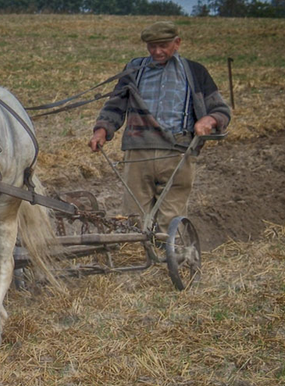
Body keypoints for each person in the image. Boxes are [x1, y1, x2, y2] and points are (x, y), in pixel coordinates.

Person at [88, 21, 231, 233]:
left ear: (177, 43)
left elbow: (221, 110)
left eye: (163, 45)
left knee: (171, 219)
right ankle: (138, 258)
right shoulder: (134, 70)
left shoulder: (195, 72)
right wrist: (101, 130)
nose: (157, 51)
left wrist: (208, 120)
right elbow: (115, 106)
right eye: (151, 46)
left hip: (178, 153)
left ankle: (168, 259)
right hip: (139, 152)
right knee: (133, 217)